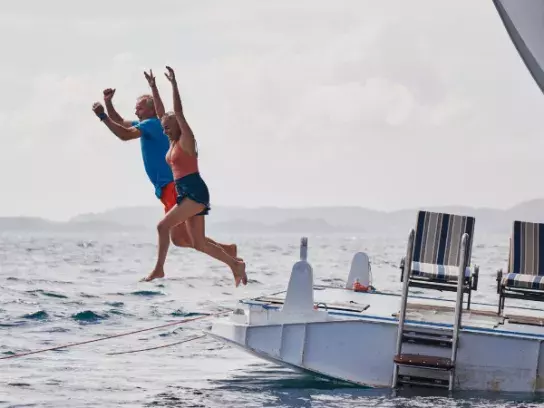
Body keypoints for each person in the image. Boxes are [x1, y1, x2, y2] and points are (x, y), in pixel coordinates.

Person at [90, 74, 241, 280]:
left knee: (171, 231)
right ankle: (228, 252)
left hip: (176, 187)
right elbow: (121, 123)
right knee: (183, 239)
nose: (136, 111)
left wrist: (102, 116)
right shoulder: (153, 126)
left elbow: (124, 133)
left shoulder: (153, 125)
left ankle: (160, 269)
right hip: (171, 189)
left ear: (152, 110)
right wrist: (108, 105)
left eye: (140, 108)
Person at [141, 65, 247, 286]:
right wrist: (153, 87)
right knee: (197, 243)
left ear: (178, 127)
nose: (165, 130)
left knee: (163, 226)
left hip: (195, 191)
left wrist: (174, 85)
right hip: (185, 192)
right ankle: (235, 265)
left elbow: (177, 113)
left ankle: (159, 269)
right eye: (164, 128)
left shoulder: (186, 140)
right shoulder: (171, 141)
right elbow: (163, 115)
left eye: (169, 127)